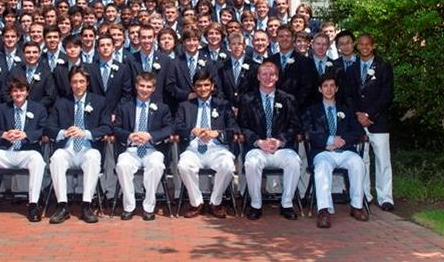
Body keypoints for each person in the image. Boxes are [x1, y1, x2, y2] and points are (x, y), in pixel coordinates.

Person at [46, 66, 111, 224]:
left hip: (87, 148)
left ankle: (86, 205)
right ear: (70, 83)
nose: (78, 85)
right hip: (68, 149)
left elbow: (107, 127)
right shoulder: (62, 102)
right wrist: (63, 132)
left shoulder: (99, 101)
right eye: (74, 82)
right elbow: (49, 127)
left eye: (81, 81)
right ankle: (62, 206)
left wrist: (86, 133)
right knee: (56, 158)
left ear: (87, 82)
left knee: (93, 157)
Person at [238, 61, 302, 220]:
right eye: (264, 74)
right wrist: (259, 142)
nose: (268, 78)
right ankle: (255, 205)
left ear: (277, 77)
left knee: (294, 161)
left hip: (281, 148)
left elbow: (295, 126)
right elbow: (241, 126)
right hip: (257, 148)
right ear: (258, 77)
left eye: (272, 74)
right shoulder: (247, 99)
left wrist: (279, 141)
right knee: (252, 163)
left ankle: (287, 204)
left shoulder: (287, 99)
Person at [302, 73, 368, 228]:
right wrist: (329, 140)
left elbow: (359, 132)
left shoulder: (346, 110)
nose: (329, 89)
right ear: (320, 89)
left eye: (332, 86)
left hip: (345, 151)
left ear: (337, 88)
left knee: (358, 163)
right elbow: (308, 132)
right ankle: (324, 211)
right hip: (323, 151)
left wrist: (341, 140)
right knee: (322, 166)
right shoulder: (312, 111)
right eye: (325, 86)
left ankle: (357, 206)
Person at [0, 77, 48, 222]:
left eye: (21, 90)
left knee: (37, 160)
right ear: (10, 93)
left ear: (27, 92)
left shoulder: (38, 109)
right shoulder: (2, 108)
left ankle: (33, 204)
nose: (18, 94)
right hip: (7, 150)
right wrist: (3, 134)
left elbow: (45, 130)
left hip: (27, 151)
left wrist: (26, 135)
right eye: (15, 91)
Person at [175, 70, 238, 218]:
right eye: (199, 85)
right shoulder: (185, 106)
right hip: (194, 148)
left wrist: (218, 133)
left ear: (212, 86)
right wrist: (192, 131)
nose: (203, 89)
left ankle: (215, 202)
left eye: (206, 85)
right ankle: (196, 203)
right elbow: (176, 126)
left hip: (217, 148)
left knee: (228, 166)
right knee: (184, 165)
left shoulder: (223, 105)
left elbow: (234, 128)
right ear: (194, 87)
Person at [113, 73, 173, 220]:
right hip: (131, 150)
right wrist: (129, 135)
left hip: (152, 149)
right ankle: (129, 206)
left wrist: (151, 135)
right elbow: (116, 128)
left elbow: (169, 128)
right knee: (122, 165)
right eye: (142, 86)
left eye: (148, 87)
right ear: (136, 86)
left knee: (156, 164)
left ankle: (148, 207)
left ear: (153, 89)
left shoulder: (162, 108)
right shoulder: (125, 107)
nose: (144, 90)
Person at [345, 33, 394, 211]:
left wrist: (369, 114)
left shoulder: (383, 67)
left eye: (368, 44)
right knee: (362, 159)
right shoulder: (351, 68)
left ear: (373, 46)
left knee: (383, 159)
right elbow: (349, 95)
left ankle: (385, 197)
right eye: (361, 44)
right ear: (357, 46)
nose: (364, 47)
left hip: (378, 121)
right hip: (358, 121)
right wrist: (358, 114)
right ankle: (364, 193)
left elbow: (387, 96)